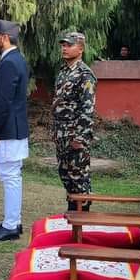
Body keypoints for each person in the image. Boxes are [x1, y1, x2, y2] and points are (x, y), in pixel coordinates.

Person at [0, 19, 29, 241]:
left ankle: (10, 226)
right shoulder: (16, 60)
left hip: (7, 131)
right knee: (12, 177)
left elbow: (3, 101)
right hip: (12, 130)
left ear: (5, 38)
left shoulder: (10, 63)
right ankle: (13, 222)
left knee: (10, 177)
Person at [53, 32, 97, 211]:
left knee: (79, 177)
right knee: (65, 175)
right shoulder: (63, 72)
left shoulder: (85, 74)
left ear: (80, 49)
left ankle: (82, 216)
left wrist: (79, 137)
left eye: (69, 45)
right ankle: (72, 211)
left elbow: (87, 109)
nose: (64, 48)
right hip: (62, 135)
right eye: (63, 45)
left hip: (75, 137)